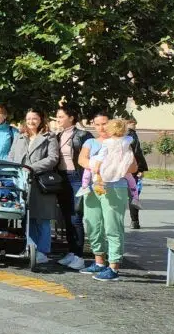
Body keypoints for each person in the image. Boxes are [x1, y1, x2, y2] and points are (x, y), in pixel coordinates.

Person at [78, 112, 137, 281]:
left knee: (112, 226)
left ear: (111, 125)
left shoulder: (123, 144)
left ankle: (114, 267)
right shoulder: (90, 142)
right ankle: (99, 263)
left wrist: (115, 166)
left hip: (114, 187)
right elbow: (82, 160)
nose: (101, 128)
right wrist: (97, 165)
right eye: (97, 124)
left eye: (104, 123)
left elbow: (133, 168)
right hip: (92, 187)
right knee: (93, 225)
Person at [8, 108, 61, 265]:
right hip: (21, 182)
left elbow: (53, 158)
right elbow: (11, 156)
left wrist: (32, 168)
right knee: (27, 217)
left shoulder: (49, 137)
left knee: (42, 218)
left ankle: (43, 251)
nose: (31, 121)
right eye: (29, 118)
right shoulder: (20, 136)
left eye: (35, 118)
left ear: (41, 120)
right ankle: (31, 248)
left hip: (39, 183)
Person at [55, 104, 92, 270]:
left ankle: (79, 255)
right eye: (57, 117)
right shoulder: (58, 135)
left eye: (61, 116)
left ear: (71, 118)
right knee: (66, 215)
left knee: (76, 216)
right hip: (61, 178)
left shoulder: (83, 135)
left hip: (77, 177)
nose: (58, 119)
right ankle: (71, 251)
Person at [78, 120, 139, 206]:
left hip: (109, 162)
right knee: (130, 178)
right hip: (123, 163)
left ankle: (85, 186)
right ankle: (135, 197)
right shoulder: (128, 140)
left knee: (90, 168)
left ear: (109, 130)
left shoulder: (107, 142)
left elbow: (101, 156)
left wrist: (97, 165)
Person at [125, 115, 148, 229]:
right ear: (127, 123)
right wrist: (141, 168)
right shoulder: (132, 135)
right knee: (133, 195)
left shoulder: (117, 135)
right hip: (132, 169)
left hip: (118, 170)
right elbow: (137, 152)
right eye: (133, 124)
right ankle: (135, 221)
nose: (135, 126)